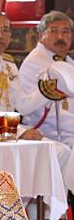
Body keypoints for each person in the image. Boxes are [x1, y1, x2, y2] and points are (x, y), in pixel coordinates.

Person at [18, 10, 74, 146]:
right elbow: (27, 108)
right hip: (48, 135)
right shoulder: (34, 62)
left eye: (65, 31)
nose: (60, 37)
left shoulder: (68, 61)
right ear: (40, 35)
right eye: (53, 31)